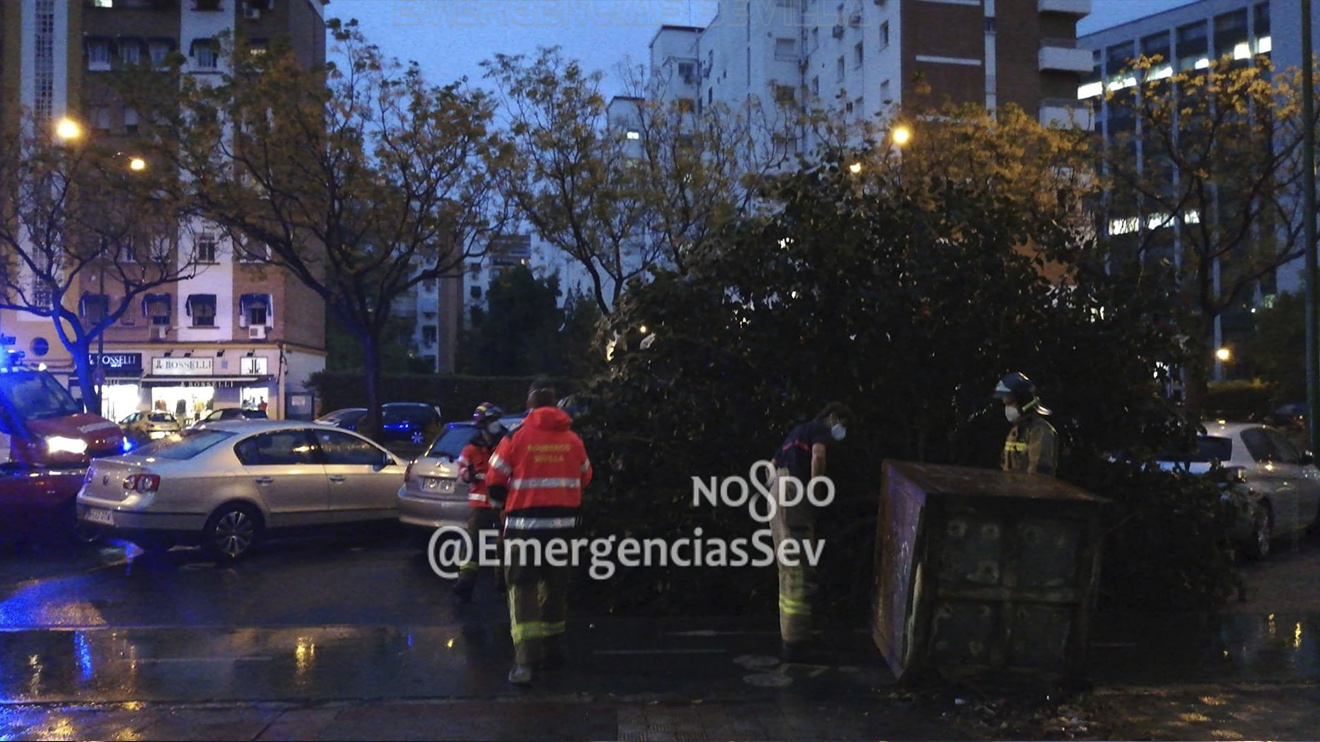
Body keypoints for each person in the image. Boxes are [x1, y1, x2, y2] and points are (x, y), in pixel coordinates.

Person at [486, 378, 591, 686]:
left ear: (529, 405)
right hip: (562, 531)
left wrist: (501, 509)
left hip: (524, 530)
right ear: (556, 405)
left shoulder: (516, 438)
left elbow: (494, 481)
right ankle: (554, 653)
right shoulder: (573, 439)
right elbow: (585, 477)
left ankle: (525, 663)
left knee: (522, 591)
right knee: (555, 589)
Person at [768, 401, 852, 662]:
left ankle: (792, 636)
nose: (842, 431)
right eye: (843, 424)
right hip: (793, 492)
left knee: (787, 565)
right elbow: (818, 456)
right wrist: (816, 493)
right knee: (800, 566)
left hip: (776, 494)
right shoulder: (820, 429)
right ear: (832, 417)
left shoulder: (797, 431)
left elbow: (770, 466)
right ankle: (797, 643)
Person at [451, 402, 508, 604]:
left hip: (503, 503)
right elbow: (461, 470)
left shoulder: (507, 443)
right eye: (491, 421)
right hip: (481, 505)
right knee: (472, 544)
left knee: (504, 545)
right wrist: (469, 475)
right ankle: (465, 583)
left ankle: (503, 583)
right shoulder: (472, 447)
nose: (495, 424)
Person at [994, 371, 1058, 476]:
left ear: (1023, 402)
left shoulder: (1040, 431)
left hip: (1027, 491)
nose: (1007, 408)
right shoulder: (1016, 430)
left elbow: (1037, 475)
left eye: (1010, 403)